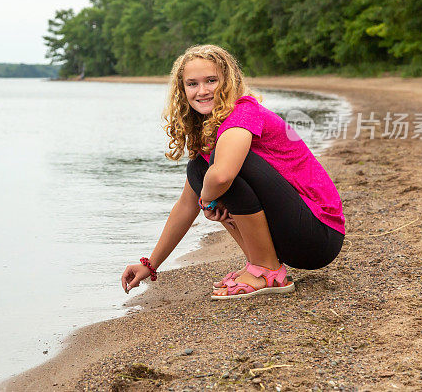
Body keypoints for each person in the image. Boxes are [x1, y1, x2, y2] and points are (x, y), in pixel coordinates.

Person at [120, 44, 344, 299]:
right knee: (199, 168)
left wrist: (208, 200)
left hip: (318, 233)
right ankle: (262, 264)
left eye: (211, 81)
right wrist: (150, 265)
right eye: (192, 84)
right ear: (182, 91)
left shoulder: (243, 112)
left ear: (228, 82)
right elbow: (185, 205)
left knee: (217, 171)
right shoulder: (211, 128)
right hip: (293, 237)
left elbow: (223, 176)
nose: (202, 91)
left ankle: (265, 271)